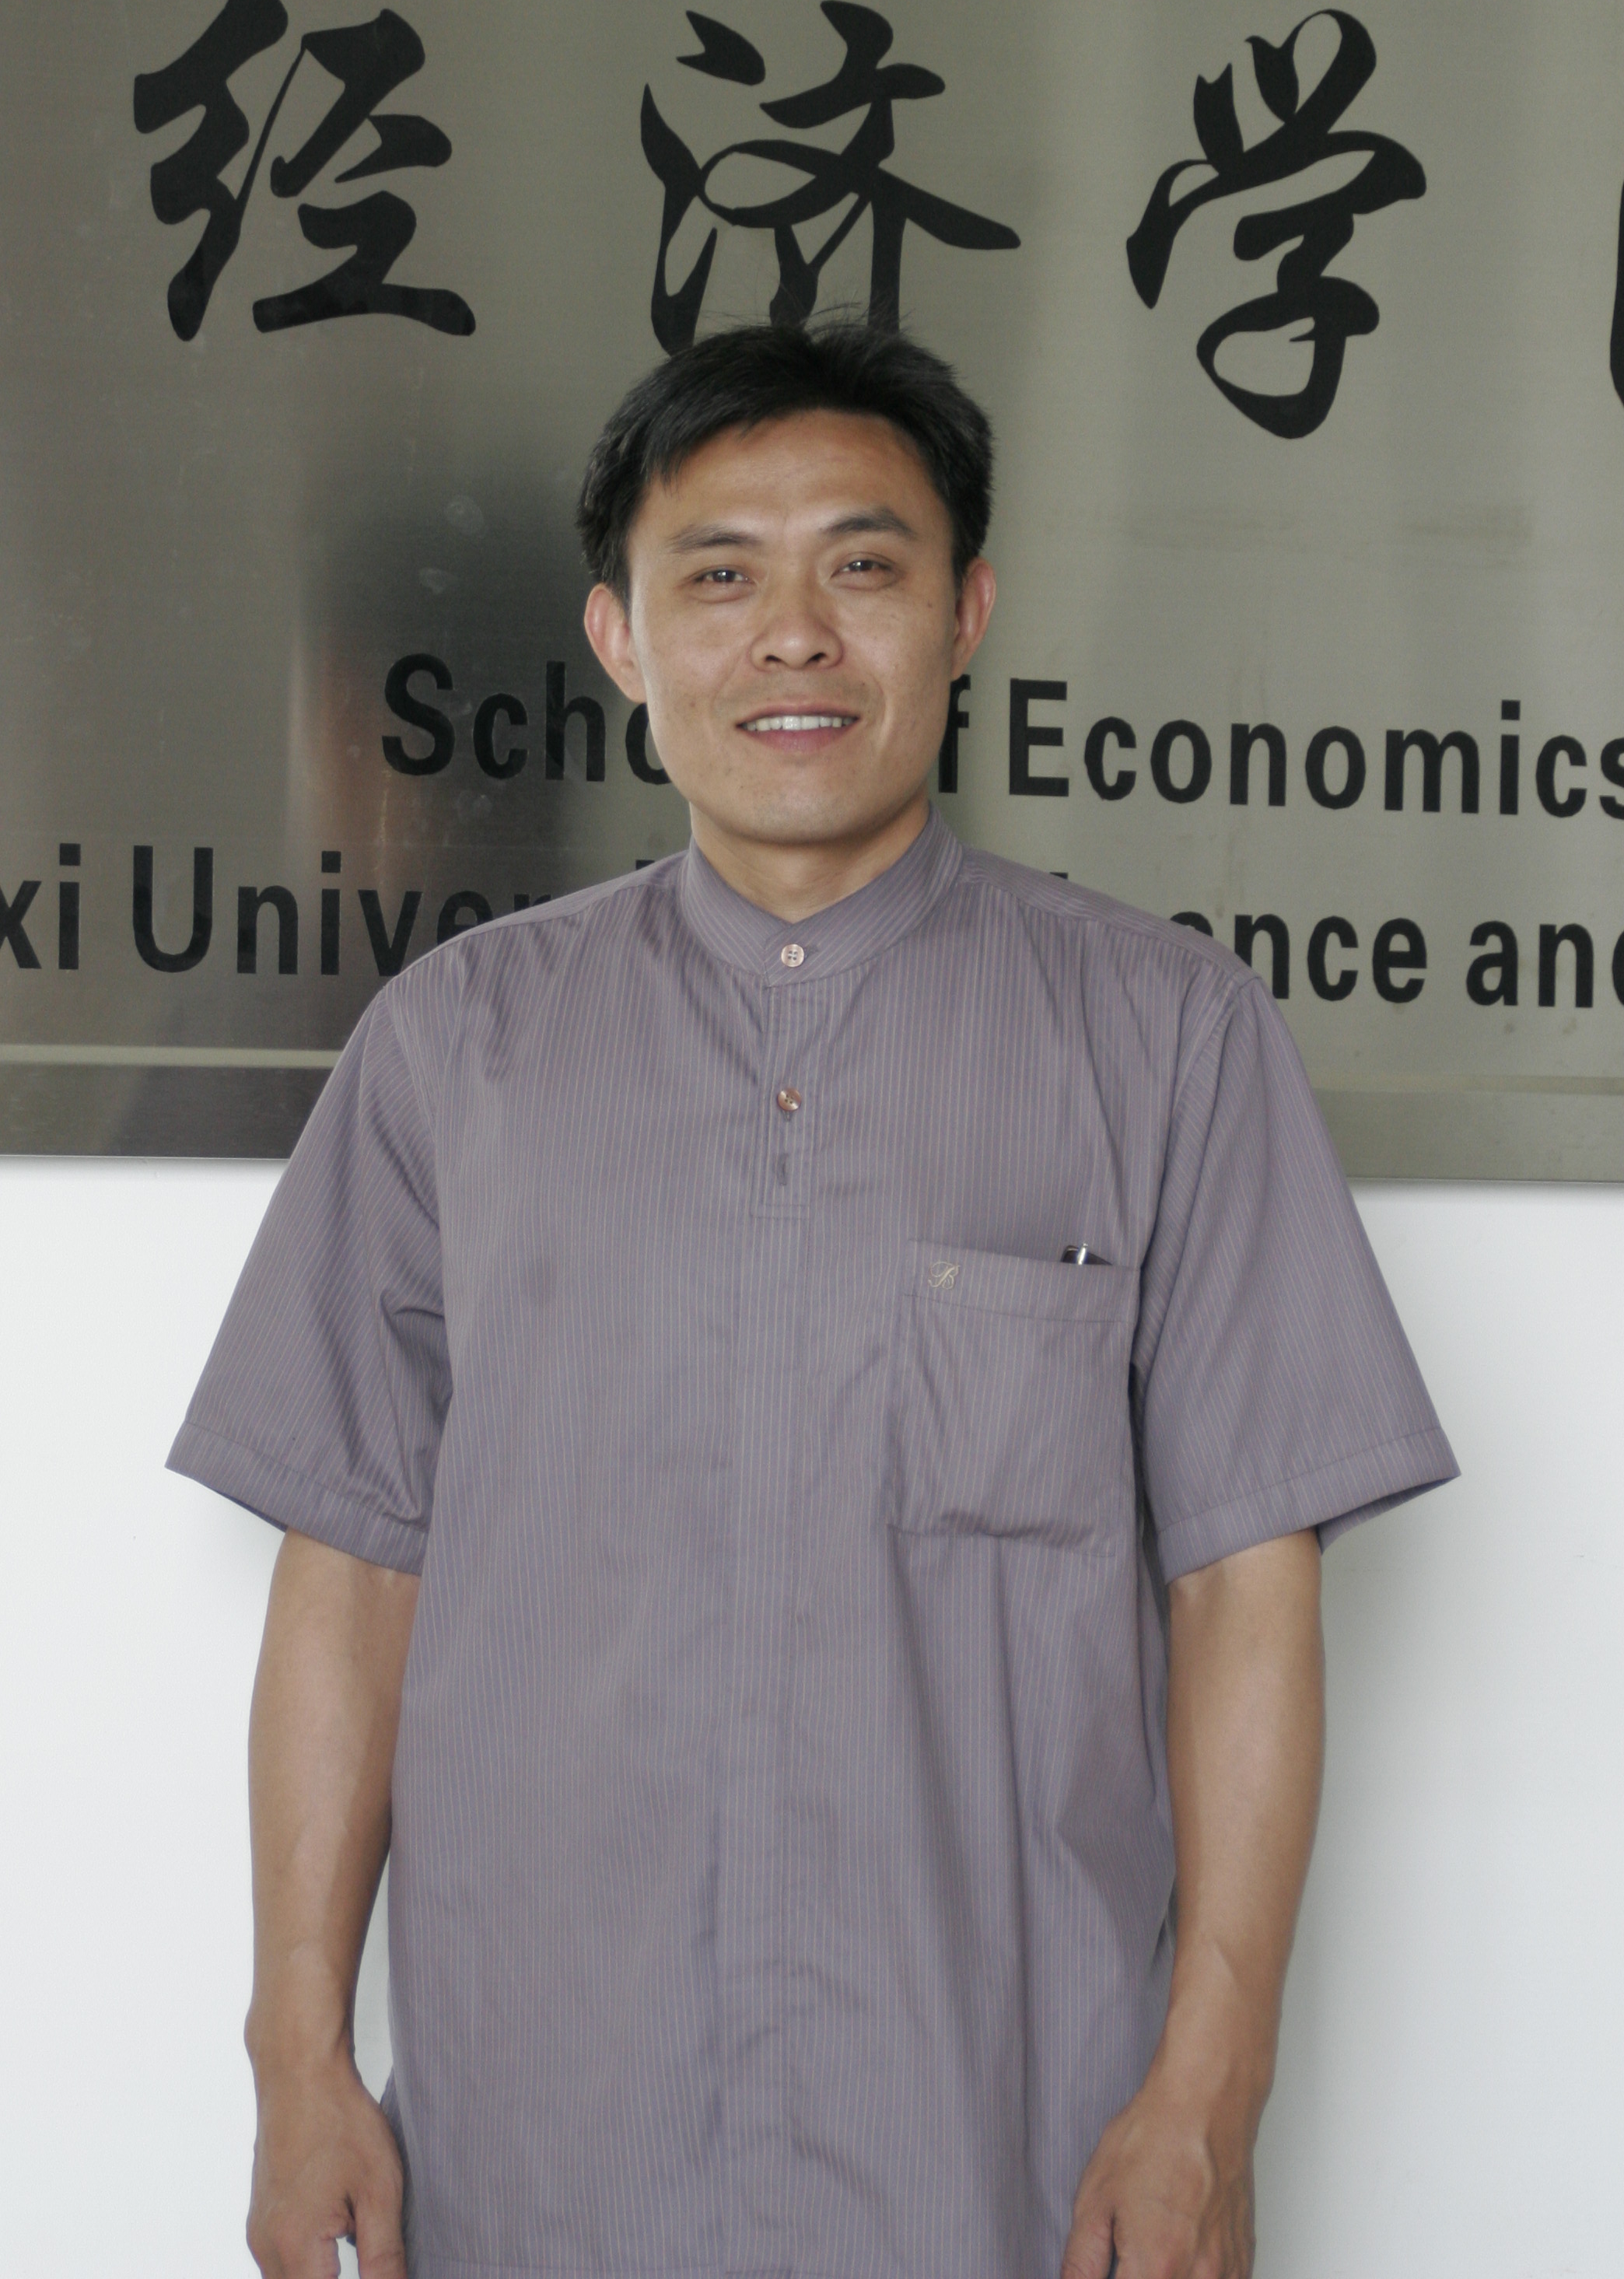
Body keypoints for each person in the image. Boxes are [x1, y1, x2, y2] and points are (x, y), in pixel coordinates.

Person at [167, 319, 1457, 2279]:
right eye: (718, 577)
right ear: (618, 638)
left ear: (966, 614)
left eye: (863, 567)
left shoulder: (1165, 1040)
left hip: (1004, 2148)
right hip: (540, 2136)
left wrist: (1209, 2094)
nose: (793, 637)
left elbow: (1244, 1597)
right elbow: (348, 1575)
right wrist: (298, 2060)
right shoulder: (456, 1049)